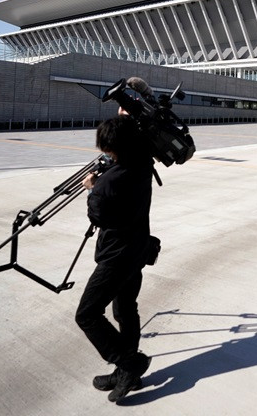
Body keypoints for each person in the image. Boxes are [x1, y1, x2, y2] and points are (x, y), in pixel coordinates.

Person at [77, 116, 154, 402]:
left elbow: (98, 216)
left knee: (87, 314)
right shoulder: (144, 162)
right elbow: (140, 136)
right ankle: (126, 376)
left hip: (116, 257)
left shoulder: (109, 180)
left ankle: (128, 363)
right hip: (138, 250)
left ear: (111, 147)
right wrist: (126, 116)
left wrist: (91, 189)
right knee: (124, 311)